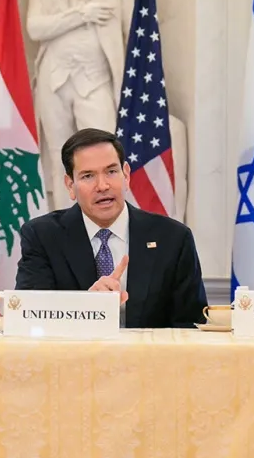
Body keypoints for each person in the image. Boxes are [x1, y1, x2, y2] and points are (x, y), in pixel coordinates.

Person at [15, 128, 206, 328]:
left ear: (126, 176)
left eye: (111, 172)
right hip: (72, 357)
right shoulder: (42, 236)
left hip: (148, 357)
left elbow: (191, 326)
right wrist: (83, 309)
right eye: (88, 176)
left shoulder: (173, 238)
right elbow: (30, 319)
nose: (103, 185)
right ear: (70, 185)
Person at [26, 0, 135, 208]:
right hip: (54, 77)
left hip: (97, 77)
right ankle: (63, 227)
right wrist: (81, 14)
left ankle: (107, 221)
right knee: (60, 156)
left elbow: (133, 34)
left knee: (104, 151)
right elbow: (35, 27)